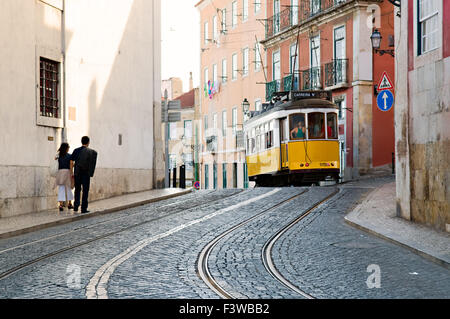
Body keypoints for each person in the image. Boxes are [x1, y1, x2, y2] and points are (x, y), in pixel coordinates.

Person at [70, 136, 98, 214]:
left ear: (81, 142)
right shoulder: (92, 152)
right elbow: (92, 164)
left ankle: (75, 206)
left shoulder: (76, 150)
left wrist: (72, 172)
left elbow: (71, 161)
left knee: (77, 190)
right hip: (86, 174)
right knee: (85, 191)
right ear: (88, 142)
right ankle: (83, 208)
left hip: (77, 173)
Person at [55, 143, 74, 212]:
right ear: (66, 148)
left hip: (60, 172)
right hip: (67, 172)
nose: (69, 148)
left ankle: (60, 204)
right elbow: (71, 165)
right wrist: (72, 173)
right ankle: (69, 203)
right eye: (68, 147)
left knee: (61, 188)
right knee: (69, 188)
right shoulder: (70, 156)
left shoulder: (58, 155)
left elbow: (55, 160)